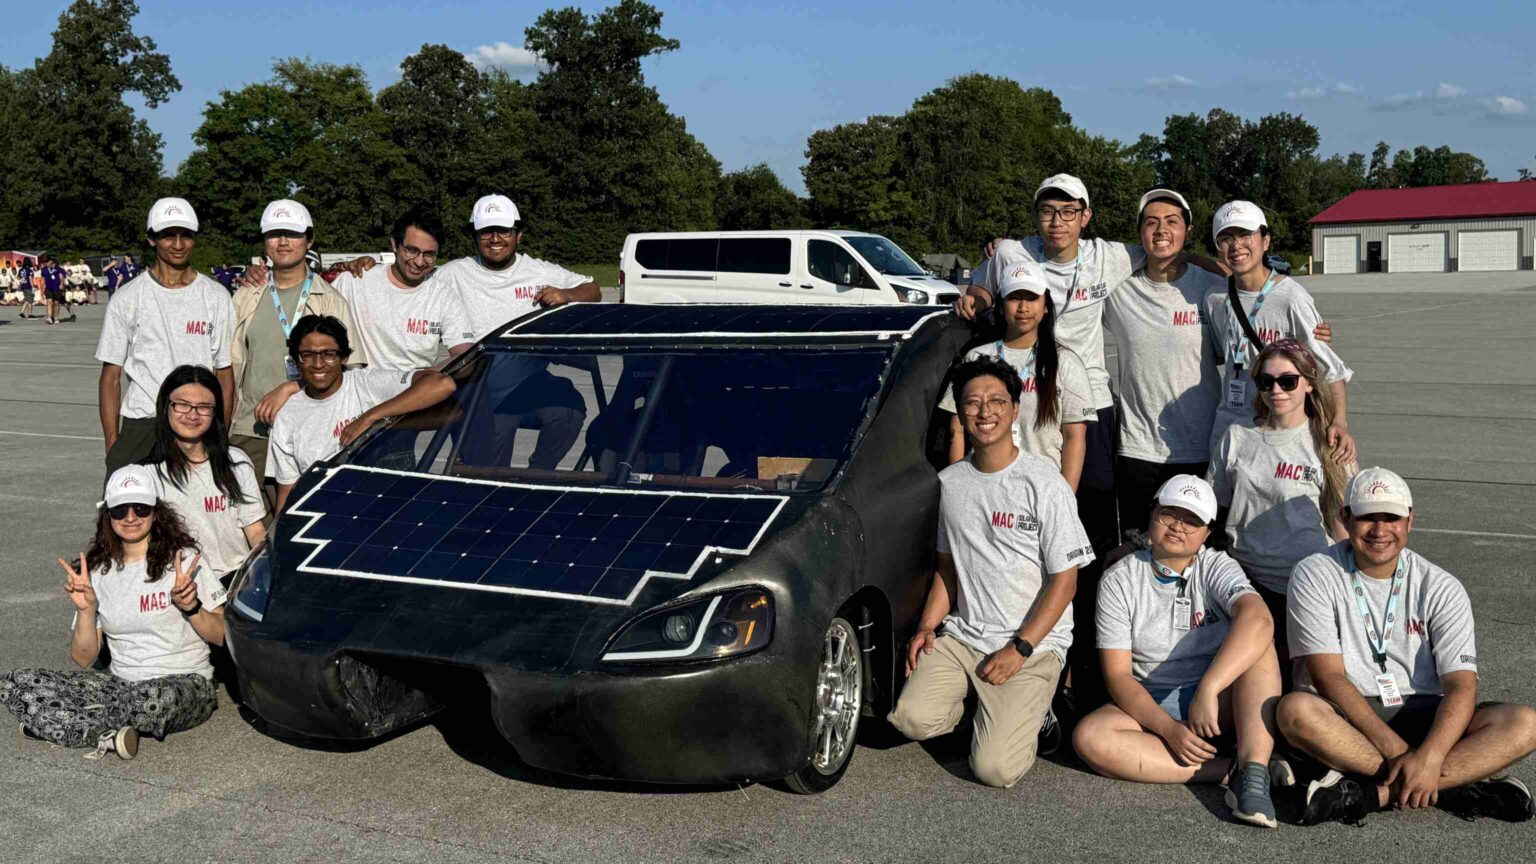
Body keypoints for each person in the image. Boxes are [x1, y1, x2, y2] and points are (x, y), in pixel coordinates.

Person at [1278, 467, 1536, 825]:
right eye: (1368, 517)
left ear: (1410, 520)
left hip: (1423, 712)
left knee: (1526, 724)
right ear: (1345, 518)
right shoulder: (1315, 573)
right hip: (1345, 713)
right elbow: (1329, 678)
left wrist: (1430, 756)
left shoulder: (1441, 586)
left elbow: (1461, 685)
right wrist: (1400, 753)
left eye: (1392, 518)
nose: (1380, 530)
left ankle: (1372, 794)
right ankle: (1451, 787)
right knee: (1294, 712)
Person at [887, 356, 1094, 788]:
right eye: (973, 403)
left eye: (997, 401)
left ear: (1016, 409)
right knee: (909, 719)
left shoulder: (1045, 483)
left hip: (1031, 645)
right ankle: (988, 708)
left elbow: (1066, 580)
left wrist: (1019, 648)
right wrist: (928, 626)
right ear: (960, 413)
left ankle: (1038, 713)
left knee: (994, 769)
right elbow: (948, 567)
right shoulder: (950, 483)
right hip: (966, 636)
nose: (986, 412)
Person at [1074, 475, 1285, 828]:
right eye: (1169, 513)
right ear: (1152, 514)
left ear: (1205, 532)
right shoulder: (1120, 579)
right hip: (1151, 698)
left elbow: (1259, 619)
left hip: (1218, 700)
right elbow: (1118, 676)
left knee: (1259, 643)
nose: (1178, 526)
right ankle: (1226, 769)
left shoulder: (1215, 565)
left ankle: (1254, 774)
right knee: (1089, 738)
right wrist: (1168, 729)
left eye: (1191, 520)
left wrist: (1209, 688)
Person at [1, 465, 226, 760]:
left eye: (140, 508)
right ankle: (106, 731)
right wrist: (86, 610)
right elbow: (83, 657)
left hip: (184, 683)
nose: (130, 517)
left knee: (151, 702)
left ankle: (57, 723)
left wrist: (191, 607)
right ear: (108, 515)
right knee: (13, 682)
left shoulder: (184, 560)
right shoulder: (97, 571)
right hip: (120, 684)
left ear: (155, 513)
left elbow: (223, 636)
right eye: (120, 510)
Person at [1207, 339, 1354, 686]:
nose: (1277, 390)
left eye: (1288, 381)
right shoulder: (1237, 437)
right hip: (1247, 581)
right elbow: (1214, 507)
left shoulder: (1327, 443)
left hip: (1306, 583)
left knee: (1309, 689)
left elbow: (1344, 522)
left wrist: (1351, 586)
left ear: (1308, 382)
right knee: (1256, 684)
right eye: (1266, 381)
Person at [432, 194, 601, 470]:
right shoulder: (454, 273)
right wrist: (362, 266)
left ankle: (538, 475)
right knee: (489, 472)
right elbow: (410, 280)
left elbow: (592, 289)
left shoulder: (537, 270)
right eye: (486, 231)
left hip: (526, 380)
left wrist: (566, 294)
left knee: (569, 409)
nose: (495, 238)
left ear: (518, 235)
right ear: (475, 235)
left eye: (503, 230)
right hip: (480, 385)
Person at [228, 199, 364, 507]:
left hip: (310, 433)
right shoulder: (246, 295)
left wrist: (292, 387)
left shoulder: (330, 300)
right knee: (247, 526)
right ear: (265, 241)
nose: (284, 241)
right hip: (252, 430)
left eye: (293, 233)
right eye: (275, 234)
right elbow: (227, 367)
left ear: (310, 240)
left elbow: (348, 372)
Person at [96, 198, 235, 476]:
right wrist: (112, 440)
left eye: (186, 235)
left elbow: (224, 373)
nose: (178, 244)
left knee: (191, 517)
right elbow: (111, 376)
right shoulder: (128, 298)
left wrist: (221, 433)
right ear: (151, 239)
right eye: (168, 235)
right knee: (124, 515)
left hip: (197, 422)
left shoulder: (216, 296)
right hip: (143, 422)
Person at [1206, 201, 1354, 461]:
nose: (1236, 245)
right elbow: (1224, 353)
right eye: (1226, 238)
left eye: (1245, 235)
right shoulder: (1214, 299)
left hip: (1280, 429)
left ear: (1265, 241)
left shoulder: (1291, 298)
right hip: (1230, 428)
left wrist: (1339, 421)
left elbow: (1330, 370)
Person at [266, 315, 457, 512]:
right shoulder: (286, 416)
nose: (318, 363)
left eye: (329, 354)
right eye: (308, 355)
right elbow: (287, 492)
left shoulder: (365, 383)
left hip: (384, 507)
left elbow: (442, 384)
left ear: (344, 358)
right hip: (324, 515)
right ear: (296, 360)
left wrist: (370, 417)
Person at [938, 259, 1095, 488]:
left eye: (1032, 298)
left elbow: (1074, 439)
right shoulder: (977, 357)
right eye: (1014, 297)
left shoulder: (1066, 362)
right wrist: (957, 484)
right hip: (983, 485)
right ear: (1001, 305)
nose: (1023, 308)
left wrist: (1065, 497)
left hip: (1042, 488)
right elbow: (957, 428)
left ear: (1046, 305)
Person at [146, 365, 266, 580]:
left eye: (203, 407)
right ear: (165, 407)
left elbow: (256, 531)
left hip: (234, 577)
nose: (192, 415)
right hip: (179, 582)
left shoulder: (236, 462)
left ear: (215, 413)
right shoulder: (146, 474)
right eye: (182, 405)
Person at [40, 255, 73, 324]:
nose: (45, 264)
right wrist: (41, 290)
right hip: (48, 288)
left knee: (56, 303)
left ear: (51, 262)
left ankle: (56, 317)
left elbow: (61, 278)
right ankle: (49, 317)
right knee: (49, 302)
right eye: (45, 262)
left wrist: (62, 285)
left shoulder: (59, 269)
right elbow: (42, 280)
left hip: (57, 288)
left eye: (47, 262)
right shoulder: (44, 269)